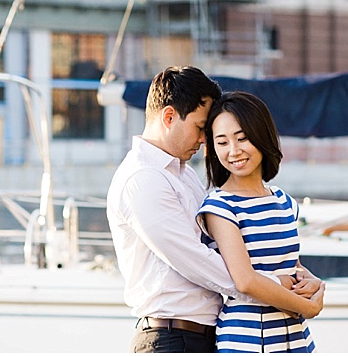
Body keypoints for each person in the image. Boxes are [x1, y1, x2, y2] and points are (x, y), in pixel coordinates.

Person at [107, 66, 324, 353]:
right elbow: (198, 261)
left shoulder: (182, 174)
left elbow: (239, 251)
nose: (203, 140)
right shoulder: (143, 178)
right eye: (200, 128)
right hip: (171, 338)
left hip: (204, 335)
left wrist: (302, 278)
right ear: (169, 117)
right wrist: (281, 287)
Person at [197, 91, 321, 352]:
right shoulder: (220, 206)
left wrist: (315, 283)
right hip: (248, 339)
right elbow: (245, 281)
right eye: (222, 142)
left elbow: (292, 265)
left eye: (242, 138)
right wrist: (309, 307)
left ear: (261, 134)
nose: (234, 151)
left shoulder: (284, 201)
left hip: (296, 337)